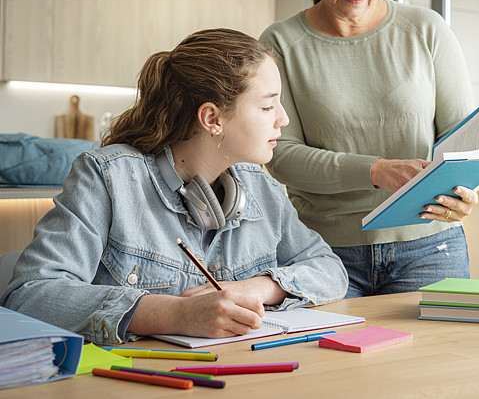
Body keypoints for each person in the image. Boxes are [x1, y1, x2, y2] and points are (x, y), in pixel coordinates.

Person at [1, 28, 348, 344]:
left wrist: (258, 287)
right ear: (212, 118)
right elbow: (32, 294)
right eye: (268, 105)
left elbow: (330, 269)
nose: (283, 119)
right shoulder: (107, 178)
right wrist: (175, 314)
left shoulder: (261, 187)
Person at [259, 0, 478, 298]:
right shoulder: (281, 43)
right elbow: (280, 154)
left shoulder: (426, 30)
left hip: (431, 245)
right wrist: (374, 170)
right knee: (332, 363)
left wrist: (463, 194)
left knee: (438, 362)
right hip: (323, 253)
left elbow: (464, 142)